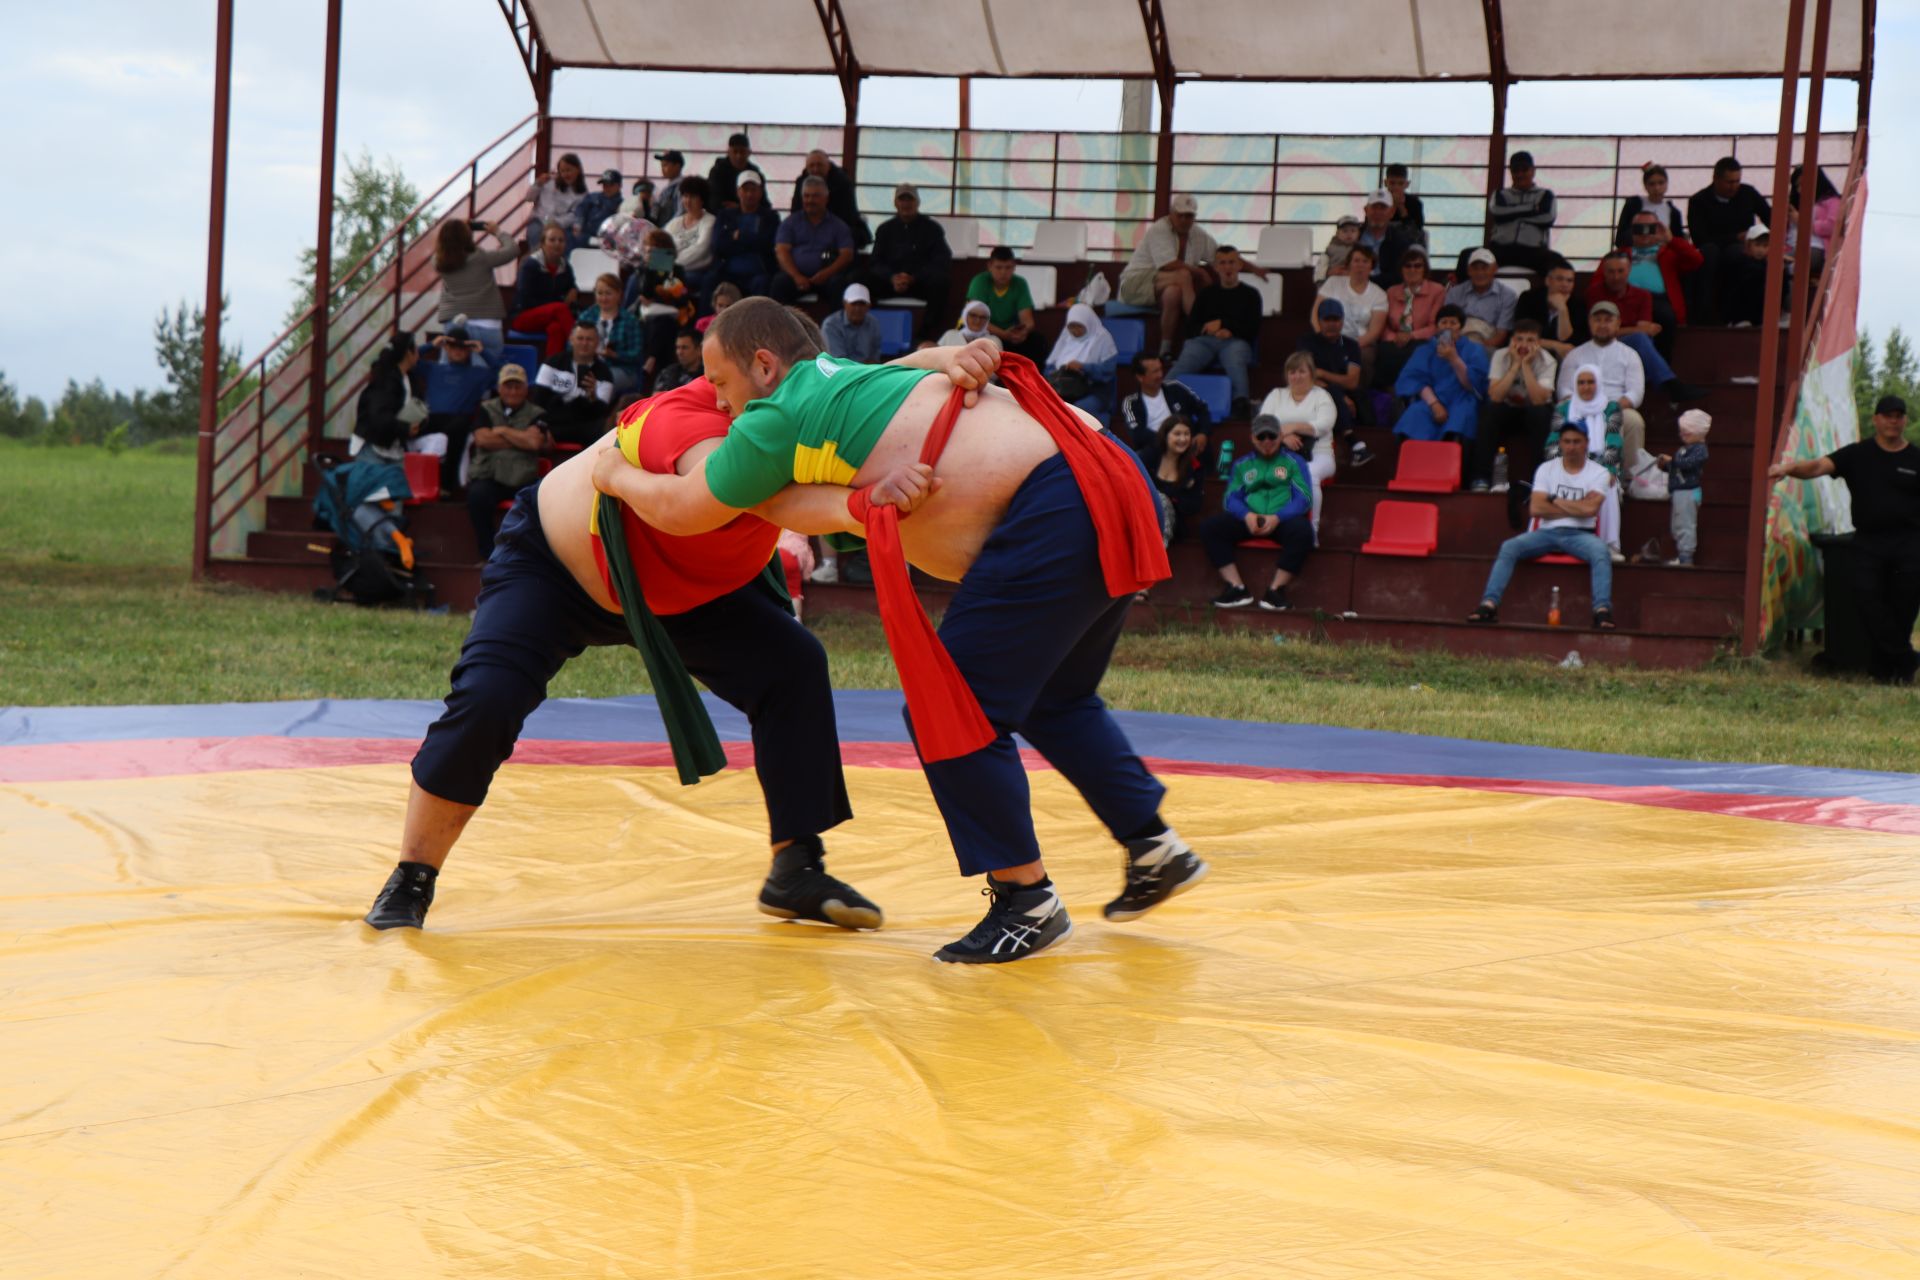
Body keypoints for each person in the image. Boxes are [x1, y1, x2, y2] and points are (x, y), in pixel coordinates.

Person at [596, 298, 1208, 963]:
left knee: (954, 705)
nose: (718, 404)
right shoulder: (845, 378)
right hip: (1109, 469)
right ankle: (1153, 847)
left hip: (1058, 499)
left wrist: (614, 474)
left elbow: (690, 508)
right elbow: (902, 370)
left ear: (765, 366)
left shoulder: (773, 419)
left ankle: (1024, 899)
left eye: (720, 383)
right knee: (1053, 698)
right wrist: (947, 355)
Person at [362, 374, 886, 934]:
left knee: (793, 664)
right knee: (488, 697)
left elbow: (873, 379)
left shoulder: (807, 406)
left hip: (683, 585)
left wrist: (949, 359)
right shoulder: (681, 419)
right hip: (559, 568)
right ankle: (413, 874)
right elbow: (724, 495)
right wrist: (859, 502)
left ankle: (796, 865)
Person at [1770, 395, 1920, 683]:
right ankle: (1907, 658)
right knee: (1866, 598)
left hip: (1909, 544)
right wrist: (1788, 469)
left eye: (1899, 415)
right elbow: (1817, 467)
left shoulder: (1916, 459)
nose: (1893, 420)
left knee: (1903, 607)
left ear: (1904, 421)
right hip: (1869, 542)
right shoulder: (1857, 454)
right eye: (1887, 415)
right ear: (1875, 420)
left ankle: (1890, 672)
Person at [1467, 422, 1618, 630]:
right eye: (1566, 441)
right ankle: (1488, 605)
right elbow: (1536, 509)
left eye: (1576, 441)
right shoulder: (1547, 469)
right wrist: (1578, 505)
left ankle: (1601, 611)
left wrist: (1553, 499)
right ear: (1561, 444)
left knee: (1601, 552)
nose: (1571, 446)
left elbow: (1590, 510)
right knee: (1509, 547)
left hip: (1581, 534)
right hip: (1547, 532)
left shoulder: (1599, 473)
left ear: (1587, 444)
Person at [1200, 414, 1315, 611]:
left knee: (1304, 532)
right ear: (1253, 438)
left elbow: (1304, 498)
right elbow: (1230, 498)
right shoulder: (1242, 465)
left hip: (1281, 520)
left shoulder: (1294, 462)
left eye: (1272, 436)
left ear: (1280, 436)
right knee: (1210, 527)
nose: (1267, 441)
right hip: (1250, 519)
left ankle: (1275, 591)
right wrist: (1247, 515)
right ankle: (1236, 588)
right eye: (1261, 437)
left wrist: (1278, 517)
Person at [463, 363, 549, 558]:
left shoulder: (538, 413)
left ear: (526, 389)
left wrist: (502, 430)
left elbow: (534, 443)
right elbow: (482, 439)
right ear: (500, 388)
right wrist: (520, 438)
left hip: (522, 476)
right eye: (508, 386)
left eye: (518, 386)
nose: (513, 391)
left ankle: (526, 557)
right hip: (489, 475)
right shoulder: (485, 408)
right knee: (477, 497)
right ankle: (488, 554)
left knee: (539, 502)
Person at [1118, 194, 1218, 357]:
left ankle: (1165, 349)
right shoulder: (1159, 228)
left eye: (1190, 216)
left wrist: (1253, 268)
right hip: (1133, 284)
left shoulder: (1198, 233)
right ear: (1172, 213)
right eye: (1181, 215)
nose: (1185, 220)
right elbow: (1167, 264)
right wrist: (1199, 271)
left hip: (1162, 287)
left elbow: (1221, 256)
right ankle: (1198, 331)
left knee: (1174, 292)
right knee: (1184, 275)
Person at [1556, 301, 1648, 476]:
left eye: (1608, 320)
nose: (1602, 325)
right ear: (1590, 323)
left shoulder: (1630, 355)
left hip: (1617, 406)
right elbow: (1564, 390)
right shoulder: (1576, 354)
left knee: (1633, 421)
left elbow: (1636, 393)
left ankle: (1629, 478)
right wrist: (1586, 407)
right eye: (1597, 320)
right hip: (1581, 408)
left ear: (1618, 323)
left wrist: (1611, 409)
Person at [1170, 245, 1261, 418]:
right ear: (1216, 267)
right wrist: (1209, 331)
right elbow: (1190, 328)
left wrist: (1226, 327)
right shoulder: (1206, 294)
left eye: (1231, 262)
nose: (1227, 267)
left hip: (1236, 342)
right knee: (1187, 358)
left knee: (1235, 359)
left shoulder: (1251, 295)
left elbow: (1253, 329)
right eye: (1223, 263)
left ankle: (1241, 403)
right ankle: (1163, 393)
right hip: (1205, 341)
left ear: (1239, 265)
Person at [1471, 317, 1556, 493]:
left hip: (1534, 413)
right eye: (1519, 339)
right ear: (1512, 341)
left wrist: (1525, 366)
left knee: (1539, 413)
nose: (1523, 345)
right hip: (1508, 411)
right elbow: (1495, 395)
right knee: (1489, 411)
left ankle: (1539, 481)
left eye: (1530, 340)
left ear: (1539, 343)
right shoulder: (1500, 355)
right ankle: (1481, 478)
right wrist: (1515, 364)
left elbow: (1539, 399)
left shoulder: (1547, 360)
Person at [1257, 352, 1338, 531]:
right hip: (1280, 452)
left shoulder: (1322, 396)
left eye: (1301, 371)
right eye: (1292, 372)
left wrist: (1293, 426)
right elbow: (1262, 424)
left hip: (1318, 453)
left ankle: (1312, 529)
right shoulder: (1277, 394)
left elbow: (1324, 425)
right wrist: (1283, 436)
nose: (1296, 376)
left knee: (1309, 474)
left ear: (1311, 373)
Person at [1549, 365, 1626, 556]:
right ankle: (1557, 541)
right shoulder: (1564, 409)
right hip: (1567, 464)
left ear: (1598, 383)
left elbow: (1613, 441)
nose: (1586, 387)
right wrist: (1564, 467)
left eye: (1590, 382)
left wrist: (1607, 470)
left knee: (1606, 485)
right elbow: (1552, 443)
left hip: (1601, 465)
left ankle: (1609, 546)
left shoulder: (1611, 408)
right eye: (1581, 382)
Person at [1687, 157, 1771, 324]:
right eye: (1729, 182)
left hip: (1742, 249)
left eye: (1737, 181)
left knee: (1742, 257)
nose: (1734, 186)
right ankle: (1706, 317)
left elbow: (1771, 217)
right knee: (1710, 255)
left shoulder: (1748, 193)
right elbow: (1699, 237)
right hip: (1712, 249)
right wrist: (1734, 237)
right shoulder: (1698, 201)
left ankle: (1742, 316)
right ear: (1716, 179)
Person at [1393, 304, 1489, 450]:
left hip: (1462, 399)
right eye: (1444, 322)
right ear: (1437, 326)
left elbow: (1475, 385)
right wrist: (1434, 404)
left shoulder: (1474, 349)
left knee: (1461, 419)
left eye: (1453, 323)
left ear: (1461, 327)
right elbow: (1415, 379)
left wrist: (1454, 359)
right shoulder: (1424, 350)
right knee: (1414, 415)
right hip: (1432, 399)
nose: (1448, 327)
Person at [867, 183, 952, 338]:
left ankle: (926, 335)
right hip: (890, 284)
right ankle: (869, 331)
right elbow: (875, 263)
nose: (906, 204)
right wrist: (892, 277)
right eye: (902, 200)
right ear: (895, 203)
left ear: (917, 203)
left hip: (919, 284)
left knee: (941, 283)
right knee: (860, 280)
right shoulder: (885, 229)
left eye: (910, 200)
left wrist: (914, 277)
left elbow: (941, 260)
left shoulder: (931, 228)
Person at [1614, 215, 1705, 353]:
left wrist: (1671, 239)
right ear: (1632, 231)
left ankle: (1661, 368)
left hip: (1659, 300)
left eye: (1650, 228)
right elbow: (1598, 281)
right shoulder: (1620, 254)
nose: (1644, 233)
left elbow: (1696, 260)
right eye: (1639, 228)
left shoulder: (1669, 253)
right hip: (1624, 298)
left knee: (1665, 317)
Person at [421, 319, 495, 485]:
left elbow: (502, 373)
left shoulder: (478, 373)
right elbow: (408, 359)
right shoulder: (434, 368)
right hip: (433, 417)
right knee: (404, 428)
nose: (458, 350)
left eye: (462, 347)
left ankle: (447, 485)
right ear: (446, 348)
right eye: (453, 346)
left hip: (460, 419)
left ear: (469, 349)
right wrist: (432, 345)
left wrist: (482, 352)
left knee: (456, 431)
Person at [771, 176, 856, 305]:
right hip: (796, 277)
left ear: (826, 199)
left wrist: (826, 273)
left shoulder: (838, 225)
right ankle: (782, 325)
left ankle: (836, 325)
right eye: (806, 196)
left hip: (827, 277)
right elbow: (781, 251)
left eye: (815, 196)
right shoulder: (790, 223)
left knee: (839, 284)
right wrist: (796, 276)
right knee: (779, 282)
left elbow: (847, 254)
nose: (810, 200)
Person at [1295, 298, 1365, 449]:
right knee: (1329, 394)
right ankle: (1352, 441)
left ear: (1342, 321)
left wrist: (1321, 373)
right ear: (1319, 321)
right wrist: (1341, 396)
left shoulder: (1351, 345)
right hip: (1315, 395)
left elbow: (1352, 382)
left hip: (1347, 396)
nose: (1332, 324)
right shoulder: (1306, 342)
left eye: (1336, 319)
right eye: (1327, 319)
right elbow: (1306, 377)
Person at [1377, 243, 1445, 398]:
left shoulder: (1437, 291)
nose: (1412, 270)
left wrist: (1411, 335)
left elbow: (1436, 325)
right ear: (1401, 269)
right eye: (1407, 266)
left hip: (1422, 339)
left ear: (1425, 269)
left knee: (1417, 351)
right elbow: (1384, 324)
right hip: (1395, 340)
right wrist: (1394, 337)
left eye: (1417, 266)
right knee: (1384, 350)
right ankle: (1392, 396)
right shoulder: (1392, 291)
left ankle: (1415, 392)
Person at [1316, 244, 1387, 392]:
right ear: (1349, 264)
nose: (1360, 265)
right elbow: (1315, 315)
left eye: (1365, 261)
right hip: (1328, 337)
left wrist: (1348, 346)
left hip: (1360, 343)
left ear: (1371, 266)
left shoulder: (1379, 294)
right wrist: (1323, 338)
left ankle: (1357, 397)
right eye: (1356, 260)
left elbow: (1374, 332)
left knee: (1363, 357)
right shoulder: (1333, 283)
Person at [533, 322, 615, 446]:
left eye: (589, 339)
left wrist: (593, 398)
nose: (584, 344)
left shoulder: (604, 373)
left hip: (582, 425)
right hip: (553, 421)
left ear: (597, 342)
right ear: (571, 339)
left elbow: (600, 413)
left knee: (602, 429)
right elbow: (538, 399)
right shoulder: (552, 362)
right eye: (580, 338)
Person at [509, 221, 580, 356]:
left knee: (556, 329)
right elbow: (525, 300)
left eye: (561, 240)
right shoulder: (530, 266)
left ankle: (551, 369)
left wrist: (574, 291)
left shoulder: (566, 267)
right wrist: (556, 305)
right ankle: (578, 345)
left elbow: (572, 287)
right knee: (560, 308)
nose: (557, 244)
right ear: (542, 243)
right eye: (552, 240)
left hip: (551, 317)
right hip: (523, 316)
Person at [1120, 351, 1210, 455]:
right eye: (1155, 371)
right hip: (1155, 449)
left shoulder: (1175, 388)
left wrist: (1203, 433)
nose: (1160, 375)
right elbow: (1137, 433)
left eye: (1160, 369)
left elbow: (1203, 409)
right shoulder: (1131, 403)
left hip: (1185, 445)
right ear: (1140, 377)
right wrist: (1169, 440)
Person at [433, 218, 518, 328]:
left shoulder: (437, 261)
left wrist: (456, 228)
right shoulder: (482, 258)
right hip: (487, 320)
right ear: (467, 237)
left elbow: (445, 250)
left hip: (453, 319)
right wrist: (498, 232)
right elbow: (512, 250)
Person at [353, 332, 423, 463]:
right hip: (373, 448)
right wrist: (405, 428)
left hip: (395, 450)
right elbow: (379, 416)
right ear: (409, 353)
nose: (419, 353)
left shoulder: (410, 379)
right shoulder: (385, 380)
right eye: (417, 349)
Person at [711, 170, 781, 298]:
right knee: (710, 280)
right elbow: (718, 245)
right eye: (745, 190)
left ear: (760, 192)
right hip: (729, 272)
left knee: (763, 284)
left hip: (758, 273)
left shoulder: (770, 217)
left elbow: (767, 244)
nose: (749, 194)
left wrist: (739, 237)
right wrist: (751, 240)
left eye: (753, 190)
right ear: (738, 192)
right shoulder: (725, 215)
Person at [964, 246, 1041, 359]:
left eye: (1008, 267)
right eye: (999, 267)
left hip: (1010, 335)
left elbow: (1028, 320)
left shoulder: (1020, 283)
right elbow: (975, 320)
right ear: (990, 266)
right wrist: (1003, 334)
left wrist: (1023, 332)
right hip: (983, 332)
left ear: (1014, 267)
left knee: (1037, 342)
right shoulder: (979, 282)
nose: (1003, 272)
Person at [1044, 302, 1119, 418]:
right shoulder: (1066, 337)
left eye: (1079, 326)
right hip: (1063, 388)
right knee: (1046, 404)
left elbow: (1108, 371)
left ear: (1088, 323)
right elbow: (1049, 367)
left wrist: (1083, 368)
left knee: (1079, 410)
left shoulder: (1102, 339)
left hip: (1094, 390)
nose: (1075, 331)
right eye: (1071, 326)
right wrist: (1060, 371)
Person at [1488, 150, 1558, 272]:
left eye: (1524, 169)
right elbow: (1497, 212)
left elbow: (1547, 218)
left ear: (1533, 171)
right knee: (1467, 256)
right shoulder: (1500, 194)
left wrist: (1512, 214)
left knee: (1560, 267)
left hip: (1533, 250)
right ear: (1510, 172)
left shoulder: (1546, 194)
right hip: (1501, 249)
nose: (1520, 174)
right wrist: (1531, 208)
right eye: (1515, 170)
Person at [576, 273, 645, 394]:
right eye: (600, 293)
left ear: (619, 294)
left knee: (599, 384)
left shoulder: (630, 320)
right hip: (588, 365)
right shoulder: (586, 316)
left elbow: (637, 355)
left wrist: (615, 355)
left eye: (608, 293)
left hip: (622, 369)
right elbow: (571, 346)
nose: (603, 298)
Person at [1658, 409, 1711, 566]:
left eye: (1687, 433)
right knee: (1677, 524)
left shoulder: (1700, 450)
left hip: (1688, 492)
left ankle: (1686, 557)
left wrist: (1672, 461)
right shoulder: (1683, 450)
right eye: (1682, 432)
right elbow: (1677, 467)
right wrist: (1666, 465)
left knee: (1686, 524)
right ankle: (1681, 555)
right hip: (1678, 492)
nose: (1683, 435)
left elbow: (1687, 464)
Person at [789, 149, 870, 249]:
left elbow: (847, 215)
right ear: (806, 167)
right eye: (811, 166)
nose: (815, 169)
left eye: (819, 165)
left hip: (836, 227)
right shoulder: (801, 181)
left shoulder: (842, 182)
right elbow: (795, 211)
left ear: (828, 166)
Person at [1443, 248, 1516, 347]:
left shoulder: (1508, 295)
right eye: (1475, 268)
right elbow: (1447, 326)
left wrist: (1478, 350)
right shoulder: (1455, 292)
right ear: (1469, 270)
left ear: (1495, 269)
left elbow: (1501, 335)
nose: (1480, 273)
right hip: (1456, 342)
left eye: (1485, 268)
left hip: (1487, 344)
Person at [1146, 416, 1204, 540]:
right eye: (1177, 434)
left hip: (1173, 525)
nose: (1182, 439)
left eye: (1186, 434)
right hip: (1145, 515)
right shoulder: (1149, 457)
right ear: (1166, 435)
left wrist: (1173, 498)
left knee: (1162, 500)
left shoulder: (1193, 467)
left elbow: (1193, 506)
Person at [1516, 258, 1585, 361]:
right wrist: (1554, 345)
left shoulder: (1577, 305)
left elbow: (1568, 341)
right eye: (1560, 279)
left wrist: (1562, 310)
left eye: (1569, 280)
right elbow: (1520, 335)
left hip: (1562, 356)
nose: (1565, 284)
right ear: (1548, 280)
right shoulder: (1528, 299)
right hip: (1530, 351)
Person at [1785, 165, 1842, 285]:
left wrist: (1802, 222)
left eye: (1804, 183)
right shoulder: (1796, 204)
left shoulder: (1832, 201)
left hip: (1817, 248)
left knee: (1795, 269)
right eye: (1797, 186)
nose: (1800, 189)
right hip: (1791, 245)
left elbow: (1832, 226)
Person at [665, 175, 718, 304]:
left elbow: (700, 250)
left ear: (702, 199)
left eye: (692, 197)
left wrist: (670, 265)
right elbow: (662, 245)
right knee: (637, 278)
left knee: (672, 282)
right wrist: (659, 266)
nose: (687, 201)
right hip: (669, 269)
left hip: (695, 272)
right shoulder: (674, 223)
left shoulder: (709, 221)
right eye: (685, 196)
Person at [1615, 163, 1686, 249]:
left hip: (1664, 256)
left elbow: (1678, 242)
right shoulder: (1633, 205)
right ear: (1645, 186)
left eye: (1661, 183)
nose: (1657, 188)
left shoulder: (1673, 212)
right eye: (1652, 184)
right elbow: (1620, 238)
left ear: (1667, 184)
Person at [1356, 188, 1418, 286]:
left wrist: (1367, 281)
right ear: (1366, 210)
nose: (1378, 212)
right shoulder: (1353, 236)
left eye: (1383, 208)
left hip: (1387, 293)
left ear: (1392, 212)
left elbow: (1398, 276)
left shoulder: (1400, 240)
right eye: (1374, 207)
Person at [527, 152, 587, 248]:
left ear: (578, 169)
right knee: (536, 235)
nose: (566, 174)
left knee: (568, 240)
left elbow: (575, 215)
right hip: (539, 221)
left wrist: (557, 223)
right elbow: (529, 198)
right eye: (562, 171)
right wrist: (537, 184)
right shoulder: (548, 181)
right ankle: (539, 260)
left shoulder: (582, 194)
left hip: (562, 225)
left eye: (569, 170)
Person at [1723, 221, 1774, 327]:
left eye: (1765, 246)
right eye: (1757, 245)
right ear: (1749, 245)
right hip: (1741, 313)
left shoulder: (1768, 265)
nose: (1761, 250)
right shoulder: (1742, 263)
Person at [823, 283, 882, 364]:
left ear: (868, 306)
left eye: (862, 304)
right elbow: (838, 362)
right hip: (839, 372)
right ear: (844, 303)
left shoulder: (873, 323)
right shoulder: (830, 325)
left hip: (866, 370)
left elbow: (874, 358)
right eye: (853, 304)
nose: (857, 308)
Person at [706, 132, 766, 209]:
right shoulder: (717, 171)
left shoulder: (755, 173)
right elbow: (714, 202)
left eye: (742, 152)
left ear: (749, 153)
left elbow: (764, 204)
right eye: (735, 152)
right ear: (728, 152)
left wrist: (739, 207)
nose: (739, 156)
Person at [574, 170, 626, 250]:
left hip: (608, 242)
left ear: (619, 186)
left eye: (610, 185)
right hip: (584, 238)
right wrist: (577, 224)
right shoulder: (592, 197)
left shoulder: (623, 205)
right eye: (604, 184)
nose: (607, 188)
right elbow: (580, 210)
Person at [652, 327, 705, 395]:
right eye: (678, 347)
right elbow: (655, 398)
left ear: (699, 350)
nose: (679, 352)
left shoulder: (708, 376)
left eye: (684, 347)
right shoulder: (668, 373)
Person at [1384, 162, 1425, 233]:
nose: (1396, 187)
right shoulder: (1378, 200)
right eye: (1392, 183)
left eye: (1400, 183)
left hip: (1408, 241)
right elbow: (1371, 227)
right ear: (1385, 183)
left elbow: (1417, 230)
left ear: (1407, 184)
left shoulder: (1415, 203)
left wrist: (1401, 207)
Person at [651, 149, 687, 227]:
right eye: (661, 165)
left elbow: (681, 212)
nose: (662, 169)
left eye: (665, 165)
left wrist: (668, 229)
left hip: (672, 232)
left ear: (677, 166)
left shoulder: (682, 186)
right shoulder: (667, 188)